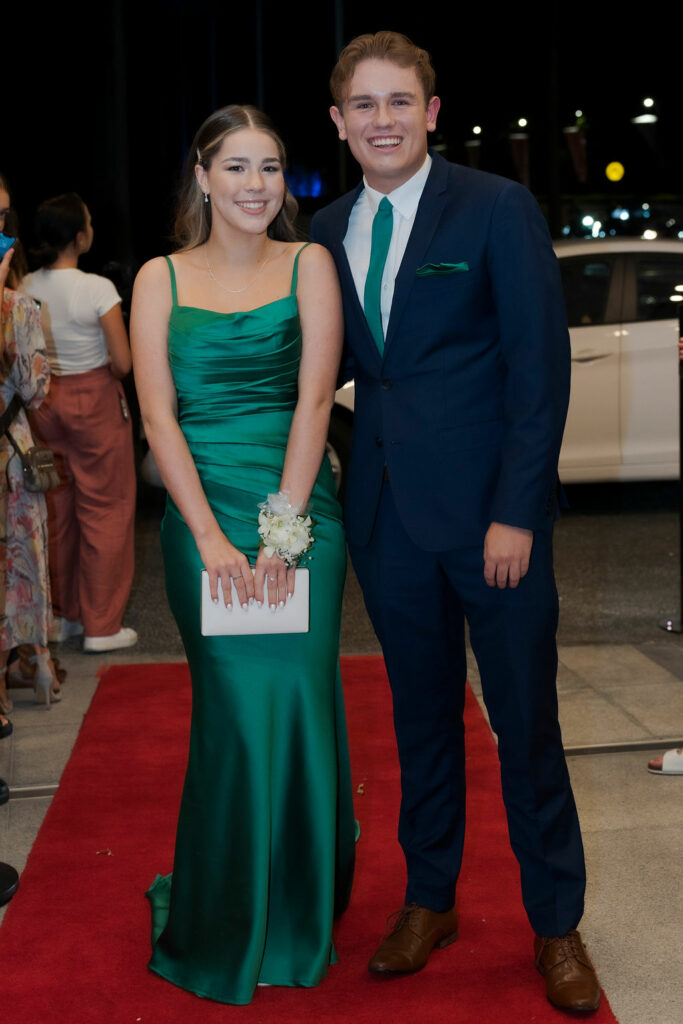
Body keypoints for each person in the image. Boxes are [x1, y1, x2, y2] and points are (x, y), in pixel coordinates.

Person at [311, 31, 600, 1014]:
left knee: (524, 724)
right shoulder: (326, 227)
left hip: (491, 524)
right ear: (338, 121)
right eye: (363, 104)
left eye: (400, 101)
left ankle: (554, 922)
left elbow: (536, 370)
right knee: (419, 720)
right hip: (384, 519)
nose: (382, 119)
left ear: (430, 112)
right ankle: (429, 899)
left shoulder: (494, 207)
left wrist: (516, 511)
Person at [130, 104, 355, 1005]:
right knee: (231, 712)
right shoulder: (157, 277)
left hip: (296, 514)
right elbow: (157, 417)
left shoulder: (309, 264)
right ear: (202, 175)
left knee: (298, 700)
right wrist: (210, 538)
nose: (255, 184)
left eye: (269, 167)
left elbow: (314, 404)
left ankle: (298, 911)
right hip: (201, 519)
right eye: (235, 166)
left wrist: (282, 534)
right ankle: (227, 914)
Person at [23, 193, 137, 653]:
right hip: (95, 402)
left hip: (42, 402)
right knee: (106, 509)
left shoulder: (24, 284)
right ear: (79, 237)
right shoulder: (97, 289)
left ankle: (62, 617)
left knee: (56, 510)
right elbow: (123, 363)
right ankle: (102, 626)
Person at [0, 207, 61, 713]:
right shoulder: (18, 307)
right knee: (21, 562)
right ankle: (36, 662)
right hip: (11, 457)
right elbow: (36, 389)